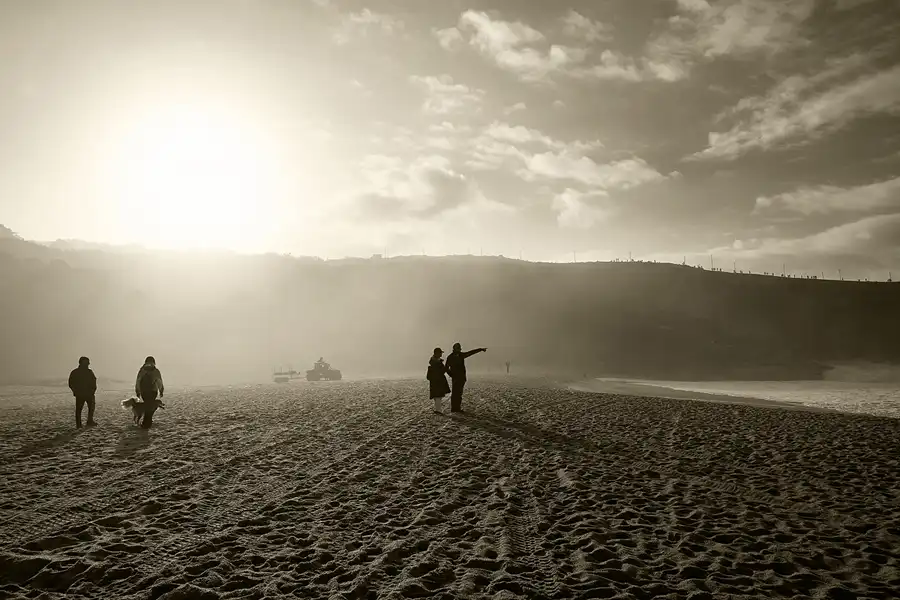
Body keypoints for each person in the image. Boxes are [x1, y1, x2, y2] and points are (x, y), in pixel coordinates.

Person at [445, 342, 487, 413]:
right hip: (457, 378)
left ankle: (456, 408)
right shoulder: (455, 356)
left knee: (458, 393)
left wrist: (480, 349)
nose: (459, 350)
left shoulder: (455, 356)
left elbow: (471, 352)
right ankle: (455, 408)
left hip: (460, 378)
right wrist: (451, 375)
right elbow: (446, 368)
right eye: (458, 349)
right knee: (456, 393)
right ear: (456, 349)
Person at [135, 356, 165, 429]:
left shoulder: (142, 370)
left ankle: (147, 422)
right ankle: (146, 423)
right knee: (150, 406)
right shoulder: (155, 371)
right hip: (153, 392)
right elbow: (159, 382)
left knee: (147, 405)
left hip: (144, 392)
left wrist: (138, 391)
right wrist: (161, 390)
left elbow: (138, 381)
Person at [68, 356, 97, 428]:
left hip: (89, 393)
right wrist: (75, 391)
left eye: (87, 363)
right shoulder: (75, 372)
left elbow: (94, 381)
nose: (87, 364)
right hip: (80, 394)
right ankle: (79, 424)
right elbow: (71, 383)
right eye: (86, 363)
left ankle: (89, 421)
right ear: (81, 363)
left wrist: (93, 390)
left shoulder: (89, 372)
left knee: (91, 408)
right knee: (79, 410)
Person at [426, 347, 451, 413]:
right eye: (440, 353)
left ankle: (438, 409)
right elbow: (441, 371)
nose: (441, 354)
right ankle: (438, 410)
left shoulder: (434, 361)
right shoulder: (436, 362)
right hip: (438, 381)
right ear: (437, 353)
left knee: (437, 396)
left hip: (435, 381)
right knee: (438, 396)